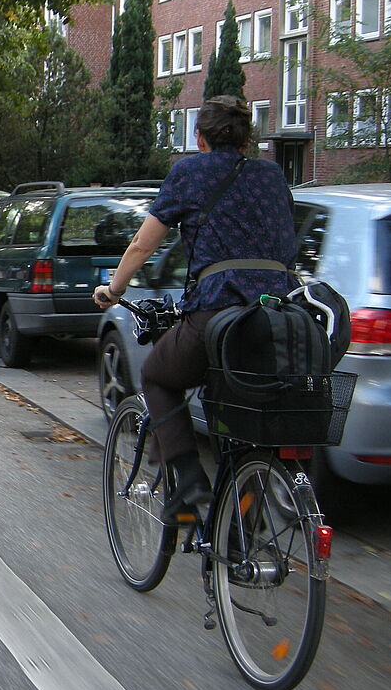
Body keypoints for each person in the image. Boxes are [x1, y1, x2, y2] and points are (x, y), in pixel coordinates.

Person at [93, 96, 297, 523]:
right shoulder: (273, 175)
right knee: (244, 423)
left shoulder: (190, 172)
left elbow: (143, 244)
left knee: (157, 376)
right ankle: (245, 533)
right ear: (247, 140)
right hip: (276, 319)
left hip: (217, 315)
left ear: (199, 138)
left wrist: (113, 290)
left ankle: (187, 483)